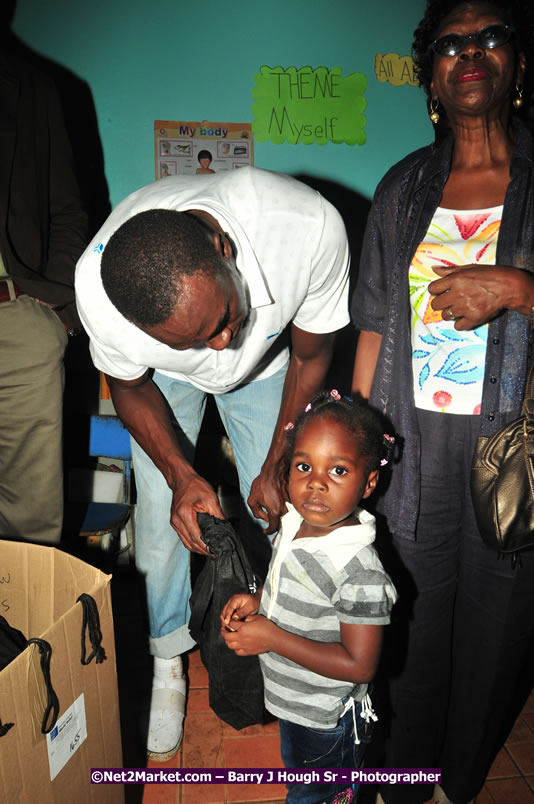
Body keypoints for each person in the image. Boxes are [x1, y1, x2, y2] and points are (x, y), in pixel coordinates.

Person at [74, 165, 350, 760]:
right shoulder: (99, 293)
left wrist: (279, 462)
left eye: (225, 316)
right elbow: (127, 385)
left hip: (274, 366)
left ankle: (289, 651)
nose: (222, 345)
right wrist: (180, 475)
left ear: (224, 250)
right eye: (198, 336)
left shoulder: (305, 229)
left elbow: (314, 352)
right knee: (160, 523)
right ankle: (167, 657)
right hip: (162, 384)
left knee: (292, 513)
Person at [351, 2, 534, 803]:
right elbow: (369, 328)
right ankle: (406, 776)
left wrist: (521, 288)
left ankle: (459, 782)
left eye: (490, 36)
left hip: (515, 449)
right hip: (412, 442)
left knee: (498, 633)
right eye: (451, 43)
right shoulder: (401, 189)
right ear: (431, 75)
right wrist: (357, 448)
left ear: (518, 65)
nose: (470, 53)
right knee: (412, 628)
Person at [221, 390, 397, 804]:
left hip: (327, 717)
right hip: (297, 701)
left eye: (337, 470)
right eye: (304, 466)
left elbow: (360, 665)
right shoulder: (296, 521)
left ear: (369, 482)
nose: (316, 482)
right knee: (301, 779)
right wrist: (260, 600)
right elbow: (290, 579)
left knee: (315, 795)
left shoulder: (360, 572)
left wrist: (271, 638)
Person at [0, 47, 87, 545]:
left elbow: (67, 210)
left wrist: (57, 317)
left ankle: (25, 625)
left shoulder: (32, 85)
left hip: (18, 318)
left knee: (29, 533)